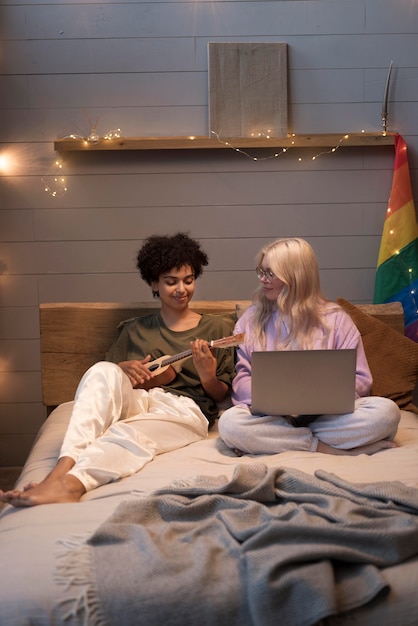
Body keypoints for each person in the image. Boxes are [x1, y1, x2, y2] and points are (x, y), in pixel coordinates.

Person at [1, 233, 235, 507]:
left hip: (185, 410)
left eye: (188, 280)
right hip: (138, 400)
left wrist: (207, 374)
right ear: (154, 283)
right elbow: (103, 388)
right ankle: (58, 471)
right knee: (102, 369)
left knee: (125, 433)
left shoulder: (217, 329)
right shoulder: (133, 328)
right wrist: (122, 369)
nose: (181, 289)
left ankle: (72, 485)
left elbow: (221, 396)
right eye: (171, 282)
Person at [218, 237, 400, 457]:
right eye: (261, 271)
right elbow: (242, 380)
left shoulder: (337, 320)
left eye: (270, 273)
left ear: (296, 276)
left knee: (387, 413)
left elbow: (361, 380)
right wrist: (276, 400)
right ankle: (327, 449)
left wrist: (323, 399)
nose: (262, 279)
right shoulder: (250, 320)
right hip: (272, 418)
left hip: (327, 418)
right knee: (230, 423)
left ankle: (278, 441)